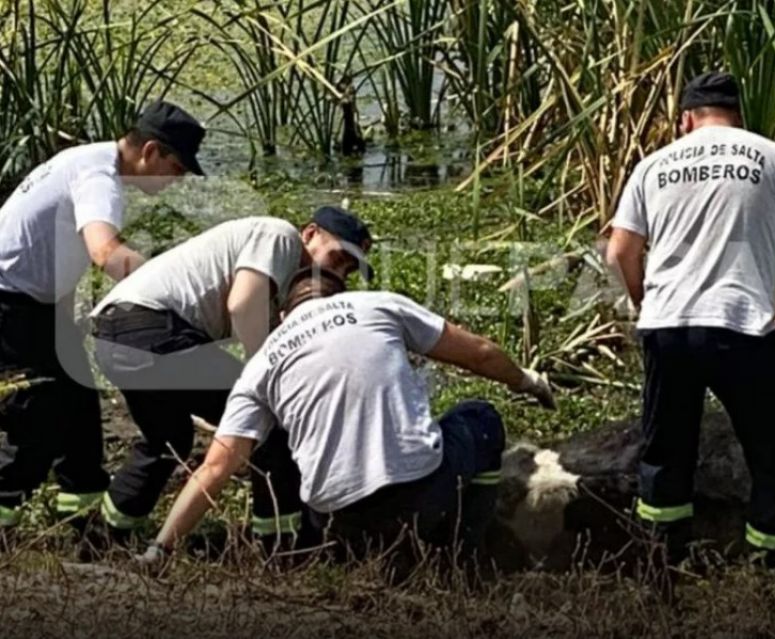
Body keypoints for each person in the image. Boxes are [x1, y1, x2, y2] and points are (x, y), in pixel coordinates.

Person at [142, 269, 555, 562]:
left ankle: (379, 552)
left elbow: (215, 467)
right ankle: (465, 552)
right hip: (422, 493)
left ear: (284, 315)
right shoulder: (376, 305)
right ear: (339, 296)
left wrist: (159, 548)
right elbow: (480, 354)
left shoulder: (262, 361)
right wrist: (528, 381)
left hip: (340, 524)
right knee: (480, 417)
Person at [605, 71, 775, 560]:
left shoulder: (653, 166)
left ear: (685, 119)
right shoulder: (773, 157)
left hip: (667, 326)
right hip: (741, 324)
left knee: (664, 452)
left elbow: (619, 251)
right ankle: (774, 564)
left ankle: (664, 564)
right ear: (738, 117)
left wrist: (647, 303)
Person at [89, 206, 372, 544]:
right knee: (265, 428)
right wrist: (260, 380)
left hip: (113, 335)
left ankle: (103, 537)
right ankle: (282, 546)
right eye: (338, 257)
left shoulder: (280, 282)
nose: (338, 274)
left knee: (167, 442)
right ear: (310, 233)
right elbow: (242, 304)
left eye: (349, 269)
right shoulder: (279, 236)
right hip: (152, 328)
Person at [0, 101, 205, 530]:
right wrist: (164, 286)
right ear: (150, 151)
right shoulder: (100, 179)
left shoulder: (85, 159)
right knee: (39, 414)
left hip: (35, 303)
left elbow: (50, 244)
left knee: (79, 415)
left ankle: (85, 512)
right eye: (177, 167)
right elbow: (103, 251)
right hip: (10, 302)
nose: (178, 179)